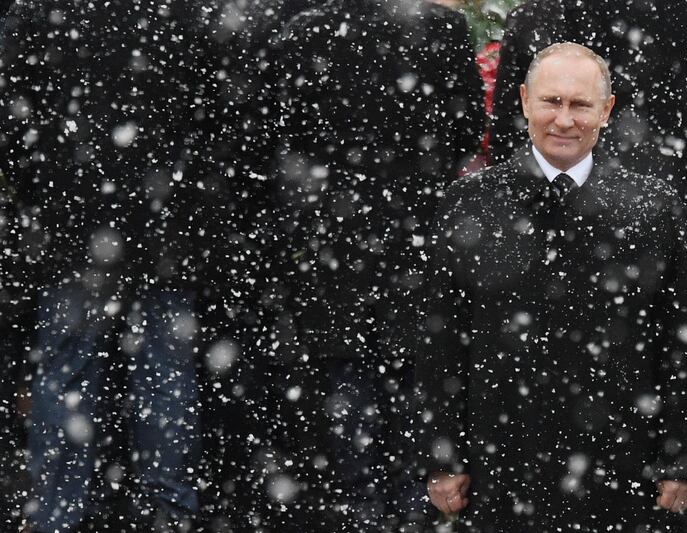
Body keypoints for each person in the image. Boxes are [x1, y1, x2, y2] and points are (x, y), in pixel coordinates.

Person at [415, 42, 687, 531]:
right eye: (552, 102)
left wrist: (681, 458)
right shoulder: (471, 202)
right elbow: (441, 338)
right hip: (503, 460)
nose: (564, 120)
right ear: (526, 100)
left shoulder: (652, 207)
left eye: (580, 104)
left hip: (621, 461)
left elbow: (685, 339)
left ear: (607, 110)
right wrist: (442, 454)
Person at [0, 1, 248, 531]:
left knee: (70, 378)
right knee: (165, 378)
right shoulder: (184, 18)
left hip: (77, 228)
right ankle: (168, 508)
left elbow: (14, 125)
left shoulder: (40, 18)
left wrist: (45, 197)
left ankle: (60, 513)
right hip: (160, 230)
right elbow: (216, 124)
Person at [275, 0, 483, 528]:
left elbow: (292, 135)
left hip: (339, 233)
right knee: (412, 368)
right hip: (417, 224)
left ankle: (360, 503)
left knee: (350, 374)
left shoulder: (308, 29)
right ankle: (411, 501)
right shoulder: (442, 26)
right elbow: (464, 131)